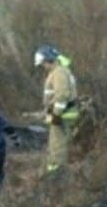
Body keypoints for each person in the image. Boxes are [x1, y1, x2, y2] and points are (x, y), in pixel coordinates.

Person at [32, 44, 80, 174]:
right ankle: (57, 171)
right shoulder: (59, 71)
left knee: (56, 145)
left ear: (48, 60)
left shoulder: (59, 73)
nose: (43, 67)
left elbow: (62, 95)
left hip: (63, 114)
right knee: (58, 143)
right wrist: (47, 112)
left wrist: (55, 114)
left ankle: (56, 174)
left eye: (43, 63)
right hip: (63, 113)